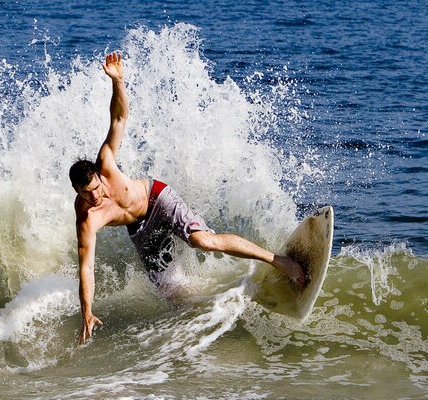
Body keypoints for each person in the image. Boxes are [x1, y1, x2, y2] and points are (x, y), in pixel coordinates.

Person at [70, 52, 306, 345]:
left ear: (97, 176)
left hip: (158, 199)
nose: (94, 196)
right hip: (141, 231)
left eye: (95, 188)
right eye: (86, 194)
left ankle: (278, 260)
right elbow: (86, 268)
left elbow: (119, 117)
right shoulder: (87, 218)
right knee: (176, 297)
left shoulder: (105, 163)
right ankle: (224, 312)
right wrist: (87, 311)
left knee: (202, 241)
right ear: (77, 193)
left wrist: (118, 81)